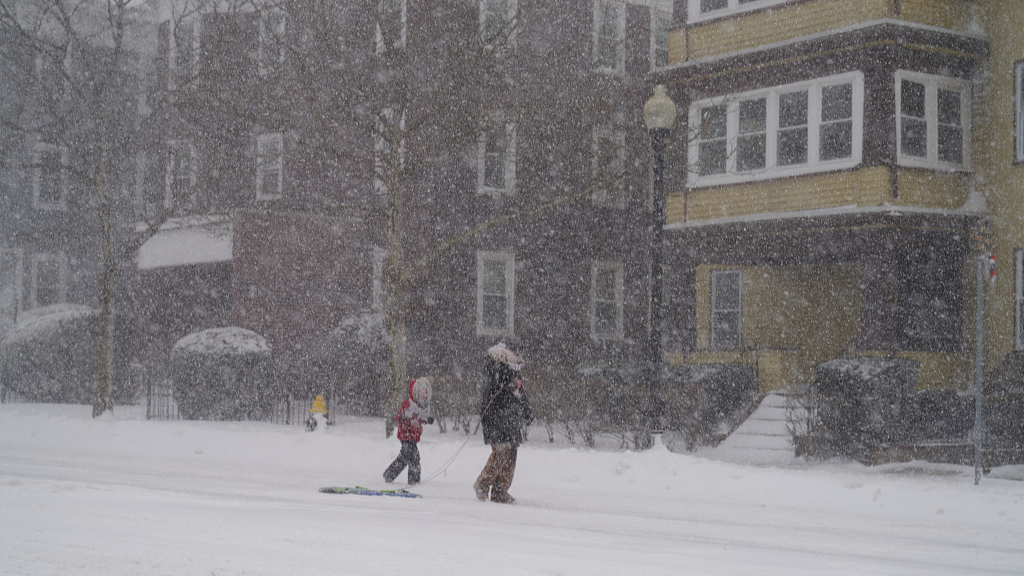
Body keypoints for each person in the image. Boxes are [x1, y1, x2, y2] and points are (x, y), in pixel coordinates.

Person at [474, 334, 532, 504]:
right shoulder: (494, 363)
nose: (520, 353)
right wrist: (508, 387)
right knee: (501, 450)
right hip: (495, 416)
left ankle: (500, 491)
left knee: (511, 451)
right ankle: (482, 484)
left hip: (510, 417)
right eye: (518, 350)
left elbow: (519, 391)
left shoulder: (514, 368)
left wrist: (527, 410)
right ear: (511, 349)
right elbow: (492, 390)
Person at [383, 377, 433, 486]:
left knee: (405, 457)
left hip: (414, 436)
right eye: (423, 392)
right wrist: (404, 416)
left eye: (426, 393)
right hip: (405, 436)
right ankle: (413, 480)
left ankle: (390, 474)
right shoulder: (408, 405)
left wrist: (427, 420)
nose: (425, 395)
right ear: (417, 393)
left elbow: (421, 419)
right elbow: (398, 418)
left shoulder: (422, 407)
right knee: (413, 456)